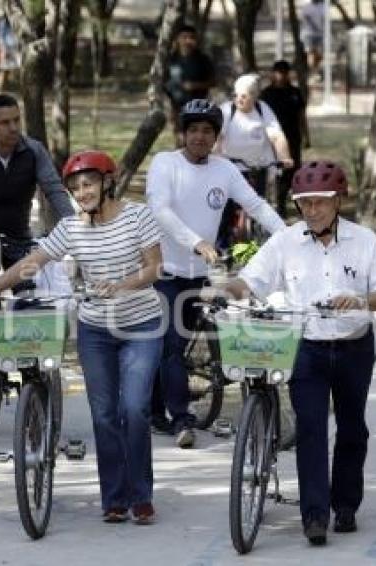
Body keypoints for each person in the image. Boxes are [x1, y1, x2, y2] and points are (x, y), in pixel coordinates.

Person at [0, 150, 164, 526]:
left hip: (141, 325)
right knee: (105, 415)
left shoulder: (137, 215)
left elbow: (154, 267)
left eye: (88, 184)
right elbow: (32, 263)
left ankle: (141, 494)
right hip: (95, 331)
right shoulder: (72, 228)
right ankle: (115, 499)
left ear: (107, 181)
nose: (82, 192)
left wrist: (121, 286)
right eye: (75, 187)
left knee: (135, 409)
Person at [223, 160, 376, 545]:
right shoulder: (285, 241)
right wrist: (222, 290)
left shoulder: (364, 240)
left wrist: (360, 301)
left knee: (352, 428)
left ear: (338, 201)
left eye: (320, 202)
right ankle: (315, 515)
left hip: (354, 347)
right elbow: (251, 281)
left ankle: (346, 505)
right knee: (312, 429)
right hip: (306, 349)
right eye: (305, 203)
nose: (312, 210)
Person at [145, 98, 285, 447]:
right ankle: (181, 420)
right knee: (172, 345)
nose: (200, 137)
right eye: (193, 130)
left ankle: (153, 407)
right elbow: (160, 210)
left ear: (216, 136)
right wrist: (197, 243)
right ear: (183, 132)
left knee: (174, 346)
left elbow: (256, 205)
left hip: (197, 274)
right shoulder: (165, 164)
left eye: (207, 131)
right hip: (162, 270)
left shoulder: (224, 169)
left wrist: (290, 236)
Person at [0, 93, 75, 289]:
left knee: (31, 289)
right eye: (5, 123)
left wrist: (73, 224)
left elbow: (54, 189)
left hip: (19, 236)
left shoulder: (34, 150)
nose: (13, 128)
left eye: (16, 120)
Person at [260, 60, 310, 217]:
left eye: (284, 72)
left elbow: (302, 116)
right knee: (274, 172)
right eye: (278, 72)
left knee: (292, 172)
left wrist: (306, 135)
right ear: (273, 74)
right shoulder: (266, 94)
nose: (281, 76)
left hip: (293, 138)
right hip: (272, 140)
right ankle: (276, 204)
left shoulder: (295, 92)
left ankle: (290, 202)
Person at [163, 23, 215, 146]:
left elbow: (213, 82)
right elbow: (162, 83)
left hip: (198, 107)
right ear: (177, 39)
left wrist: (196, 85)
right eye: (184, 37)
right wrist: (167, 106)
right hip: (175, 107)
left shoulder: (203, 59)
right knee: (180, 140)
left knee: (195, 141)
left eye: (191, 37)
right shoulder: (169, 60)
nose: (188, 41)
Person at [300, 0, 325, 78]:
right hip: (308, 33)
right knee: (310, 53)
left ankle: (314, 70)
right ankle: (313, 72)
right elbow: (306, 18)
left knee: (320, 54)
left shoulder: (323, 6)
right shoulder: (307, 6)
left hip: (319, 34)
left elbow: (324, 19)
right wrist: (316, 27)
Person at [0, 16, 20, 90]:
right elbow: (0, 38)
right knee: (3, 70)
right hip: (6, 49)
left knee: (18, 70)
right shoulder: (4, 23)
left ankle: (17, 90)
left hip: (16, 49)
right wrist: (4, 50)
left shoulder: (17, 21)